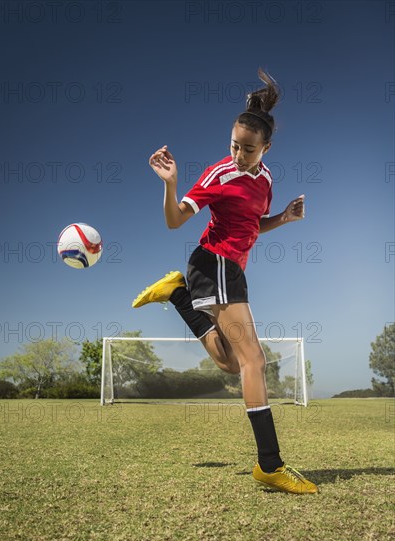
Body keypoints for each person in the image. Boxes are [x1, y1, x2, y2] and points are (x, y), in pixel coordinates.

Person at [132, 69, 319, 495]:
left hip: (231, 271)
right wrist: (172, 184)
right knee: (255, 361)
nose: (238, 153)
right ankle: (270, 465)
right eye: (234, 144)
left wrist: (284, 219)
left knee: (232, 364)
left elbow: (252, 226)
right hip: (213, 263)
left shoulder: (267, 181)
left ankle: (177, 294)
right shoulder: (219, 175)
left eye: (248, 149)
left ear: (266, 148)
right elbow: (174, 220)